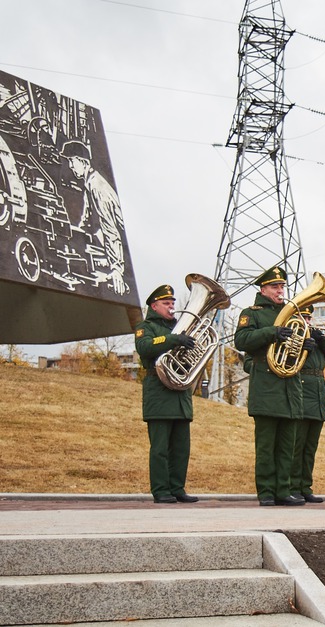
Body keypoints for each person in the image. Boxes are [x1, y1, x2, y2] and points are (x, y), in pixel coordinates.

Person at [234, 266, 304, 507]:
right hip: (266, 387)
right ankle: (265, 491)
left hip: (290, 387)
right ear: (263, 289)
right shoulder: (251, 313)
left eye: (282, 286)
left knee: (287, 446)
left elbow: (295, 345)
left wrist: (306, 347)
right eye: (275, 287)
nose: (280, 291)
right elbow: (242, 341)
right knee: (266, 446)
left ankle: (283, 490)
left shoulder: (293, 315)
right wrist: (271, 332)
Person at [134, 284, 198, 504]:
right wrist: (173, 340)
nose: (171, 307)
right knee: (160, 447)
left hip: (180, 392)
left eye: (172, 303)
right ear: (154, 306)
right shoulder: (146, 326)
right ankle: (161, 490)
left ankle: (177, 488)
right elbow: (145, 347)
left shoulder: (182, 326)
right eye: (166, 303)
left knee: (181, 447)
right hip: (159, 391)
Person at [61, 140, 128, 295]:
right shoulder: (89, 184)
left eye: (72, 160)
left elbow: (111, 230)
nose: (70, 166)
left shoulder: (98, 187)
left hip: (119, 250)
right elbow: (86, 221)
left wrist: (117, 268)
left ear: (83, 162)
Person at [290, 306, 325, 504]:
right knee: (297, 447)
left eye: (309, 318)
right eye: (304, 318)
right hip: (301, 397)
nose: (308, 322)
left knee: (310, 448)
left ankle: (305, 486)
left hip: (317, 398)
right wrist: (302, 346)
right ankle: (293, 486)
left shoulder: (317, 341)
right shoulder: (293, 341)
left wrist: (322, 340)